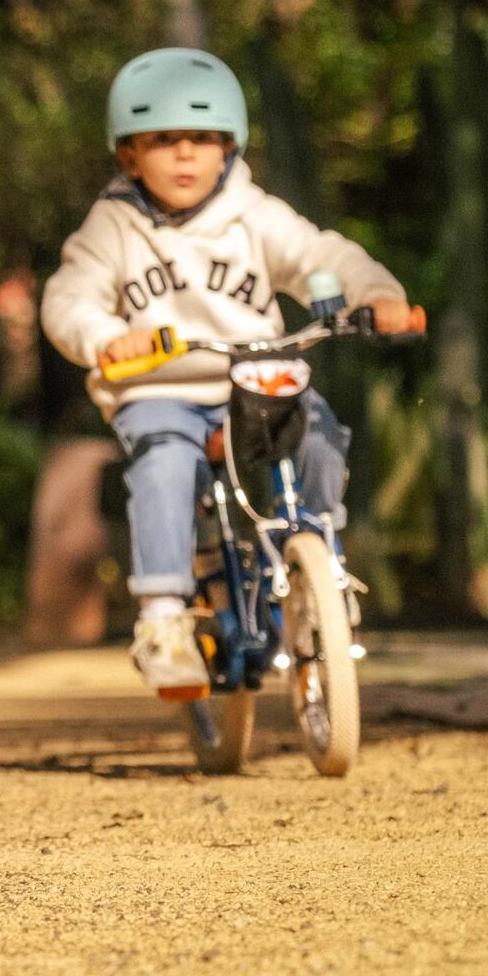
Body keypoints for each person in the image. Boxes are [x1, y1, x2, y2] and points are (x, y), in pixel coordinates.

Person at [40, 48, 413, 692]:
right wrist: (104, 337)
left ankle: (316, 574)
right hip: (162, 388)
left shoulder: (254, 215)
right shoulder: (114, 226)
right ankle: (162, 620)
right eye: (163, 140)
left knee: (318, 433)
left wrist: (375, 294)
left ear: (231, 149)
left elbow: (320, 252)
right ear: (128, 154)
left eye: (204, 139)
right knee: (160, 459)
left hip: (258, 377)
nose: (186, 154)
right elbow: (67, 299)